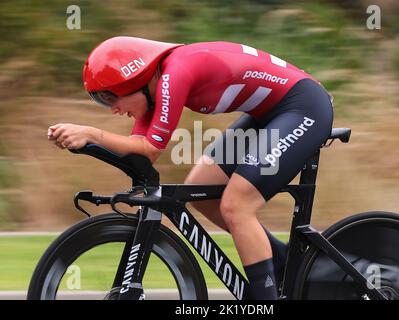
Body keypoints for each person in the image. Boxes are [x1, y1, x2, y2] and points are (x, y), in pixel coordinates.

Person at [48, 36, 333, 300]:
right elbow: (141, 154)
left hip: (304, 108)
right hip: (269, 114)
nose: (112, 109)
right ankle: (280, 263)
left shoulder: (175, 74)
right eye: (101, 101)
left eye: (110, 98)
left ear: (135, 81)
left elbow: (150, 149)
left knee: (236, 205)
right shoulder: (152, 88)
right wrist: (86, 146)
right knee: (204, 192)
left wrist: (90, 133)